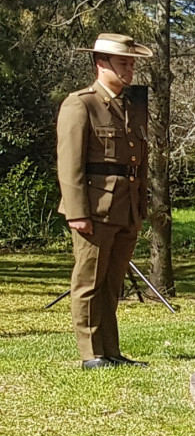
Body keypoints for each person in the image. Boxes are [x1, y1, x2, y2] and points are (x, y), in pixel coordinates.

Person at [57, 33, 154, 369]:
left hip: (125, 208)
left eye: (132, 63)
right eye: (123, 62)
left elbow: (138, 162)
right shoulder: (81, 104)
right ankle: (91, 354)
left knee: (112, 284)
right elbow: (69, 165)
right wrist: (77, 212)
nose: (130, 69)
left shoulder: (131, 107)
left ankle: (110, 351)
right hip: (95, 208)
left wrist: (139, 208)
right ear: (101, 63)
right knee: (88, 283)